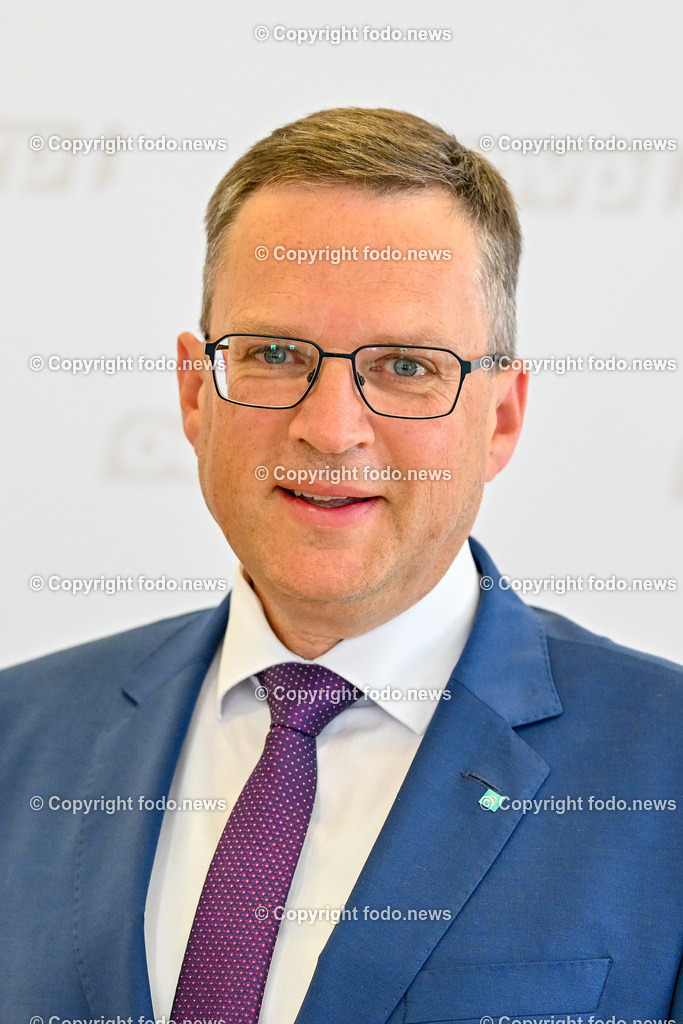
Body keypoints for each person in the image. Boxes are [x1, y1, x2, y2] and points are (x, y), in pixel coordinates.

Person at [1, 107, 681, 1021]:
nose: (328, 429)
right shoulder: (20, 739)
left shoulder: (661, 767)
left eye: (404, 365)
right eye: (275, 354)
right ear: (195, 392)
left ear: (501, 418)